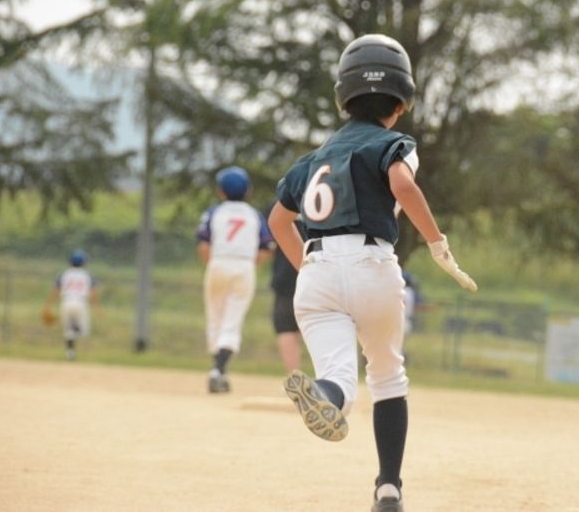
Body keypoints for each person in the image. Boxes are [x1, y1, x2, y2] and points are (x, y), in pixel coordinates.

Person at [268, 34, 477, 512]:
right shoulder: (393, 142)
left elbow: (278, 221)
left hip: (317, 268)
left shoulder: (312, 160)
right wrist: (437, 244)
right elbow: (402, 184)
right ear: (401, 104)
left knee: (338, 377)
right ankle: (388, 489)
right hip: (372, 264)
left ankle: (326, 394)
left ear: (344, 98)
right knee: (386, 375)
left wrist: (309, 267)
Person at [196, 166, 273, 394]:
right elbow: (267, 247)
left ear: (221, 192)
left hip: (218, 262)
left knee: (215, 316)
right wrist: (250, 265)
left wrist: (212, 265)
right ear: (248, 191)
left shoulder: (214, 212)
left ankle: (218, 368)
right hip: (244, 265)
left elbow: (203, 244)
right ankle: (219, 369)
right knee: (233, 318)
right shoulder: (254, 215)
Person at [43, 249, 98, 361]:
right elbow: (92, 292)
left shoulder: (64, 274)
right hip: (81, 303)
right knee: (84, 332)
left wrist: (48, 305)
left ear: (69, 261)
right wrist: (97, 307)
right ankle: (75, 330)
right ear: (84, 262)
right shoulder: (88, 275)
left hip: (66, 303)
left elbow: (56, 291)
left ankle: (70, 353)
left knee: (68, 332)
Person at [269, 215, 305, 373]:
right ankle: (330, 377)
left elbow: (267, 244)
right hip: (319, 273)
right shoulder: (334, 195)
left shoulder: (285, 197)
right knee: (323, 323)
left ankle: (294, 373)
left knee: (286, 327)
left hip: (286, 276)